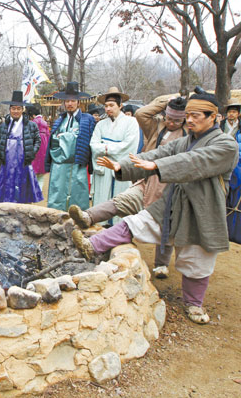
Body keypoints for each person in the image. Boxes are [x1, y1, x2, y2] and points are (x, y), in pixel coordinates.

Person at [72, 90, 238, 324]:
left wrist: (157, 165)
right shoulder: (184, 141)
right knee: (135, 222)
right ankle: (91, 246)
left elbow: (194, 162)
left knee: (197, 260)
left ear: (214, 117)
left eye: (196, 115)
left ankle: (194, 304)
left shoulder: (226, 144)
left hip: (203, 209)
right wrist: (122, 166)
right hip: (174, 202)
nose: (189, 120)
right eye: (188, 115)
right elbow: (156, 153)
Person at [70, 95, 188, 278]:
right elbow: (142, 113)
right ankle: (88, 216)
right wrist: (169, 101)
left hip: (171, 182)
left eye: (177, 120)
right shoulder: (157, 126)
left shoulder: (189, 135)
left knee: (166, 221)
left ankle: (161, 263)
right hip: (146, 177)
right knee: (122, 200)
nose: (171, 123)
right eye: (169, 118)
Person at [90, 87, 140, 224]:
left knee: (121, 200)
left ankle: (121, 229)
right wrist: (110, 148)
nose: (108, 109)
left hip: (120, 168)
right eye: (106, 106)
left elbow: (129, 146)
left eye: (111, 105)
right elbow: (93, 145)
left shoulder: (131, 123)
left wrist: (104, 147)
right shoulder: (100, 124)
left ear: (120, 106)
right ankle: (101, 225)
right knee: (101, 198)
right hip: (103, 169)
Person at [45, 81, 95, 211]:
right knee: (57, 197)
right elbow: (53, 144)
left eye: (73, 100)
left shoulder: (87, 119)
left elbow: (90, 142)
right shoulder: (59, 121)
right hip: (59, 165)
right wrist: (71, 137)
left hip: (78, 164)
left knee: (78, 198)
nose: (70, 104)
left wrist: (63, 137)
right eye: (67, 101)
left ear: (78, 102)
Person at [0, 91, 43, 203]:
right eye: (13, 108)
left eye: (18, 108)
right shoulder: (3, 126)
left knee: (23, 188)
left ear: (23, 109)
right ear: (10, 109)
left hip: (23, 162)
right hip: (7, 162)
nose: (16, 111)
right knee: (7, 188)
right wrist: (0, 152)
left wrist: (31, 152)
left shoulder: (31, 125)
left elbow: (37, 140)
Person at [221, 101, 241, 166]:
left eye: (234, 112)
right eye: (229, 112)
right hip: (222, 156)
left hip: (237, 157)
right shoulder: (220, 126)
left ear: (238, 114)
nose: (231, 114)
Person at [28, 103, 50, 191]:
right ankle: (39, 190)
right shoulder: (45, 123)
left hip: (36, 148)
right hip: (44, 148)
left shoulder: (33, 123)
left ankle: (32, 190)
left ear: (32, 115)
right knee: (41, 173)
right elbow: (48, 137)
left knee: (33, 170)